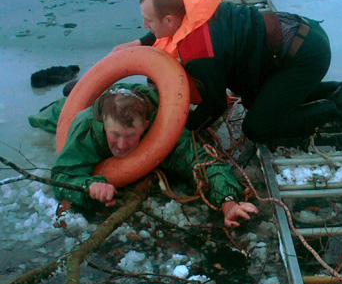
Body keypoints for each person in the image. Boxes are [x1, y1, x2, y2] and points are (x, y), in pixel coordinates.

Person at [112, 0, 342, 147]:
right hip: (296, 33)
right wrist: (140, 43)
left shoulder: (201, 53)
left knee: (257, 127)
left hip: (305, 55)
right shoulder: (187, 10)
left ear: (168, 20)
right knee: (257, 101)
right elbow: (165, 26)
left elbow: (215, 105)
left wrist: (183, 131)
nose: (144, 25)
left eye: (149, 21)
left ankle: (337, 104)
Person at [29, 83, 258, 228]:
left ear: (145, 126)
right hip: (92, 100)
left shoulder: (163, 131)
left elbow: (202, 163)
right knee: (53, 114)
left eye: (130, 135)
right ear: (104, 126)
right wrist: (89, 186)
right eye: (115, 134)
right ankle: (70, 93)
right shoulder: (88, 128)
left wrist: (228, 201)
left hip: (140, 100)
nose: (121, 145)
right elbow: (62, 175)